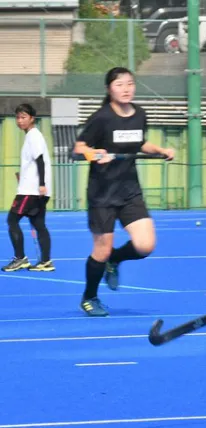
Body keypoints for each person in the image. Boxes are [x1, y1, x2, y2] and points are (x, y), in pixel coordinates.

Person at [72, 67, 175, 317]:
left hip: (130, 192)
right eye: (119, 85)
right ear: (109, 89)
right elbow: (77, 149)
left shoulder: (139, 114)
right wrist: (94, 153)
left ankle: (115, 259)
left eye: (130, 83)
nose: (126, 89)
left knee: (145, 245)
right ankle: (89, 297)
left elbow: (139, 142)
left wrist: (161, 150)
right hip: (102, 195)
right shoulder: (101, 118)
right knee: (101, 250)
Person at [2, 103, 54, 272]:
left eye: (23, 117)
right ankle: (46, 261)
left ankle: (20, 258)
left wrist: (41, 184)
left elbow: (40, 160)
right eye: (17, 117)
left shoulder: (34, 136)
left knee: (12, 220)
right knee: (38, 224)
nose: (20, 121)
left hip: (31, 191)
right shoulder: (31, 136)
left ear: (32, 118)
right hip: (34, 189)